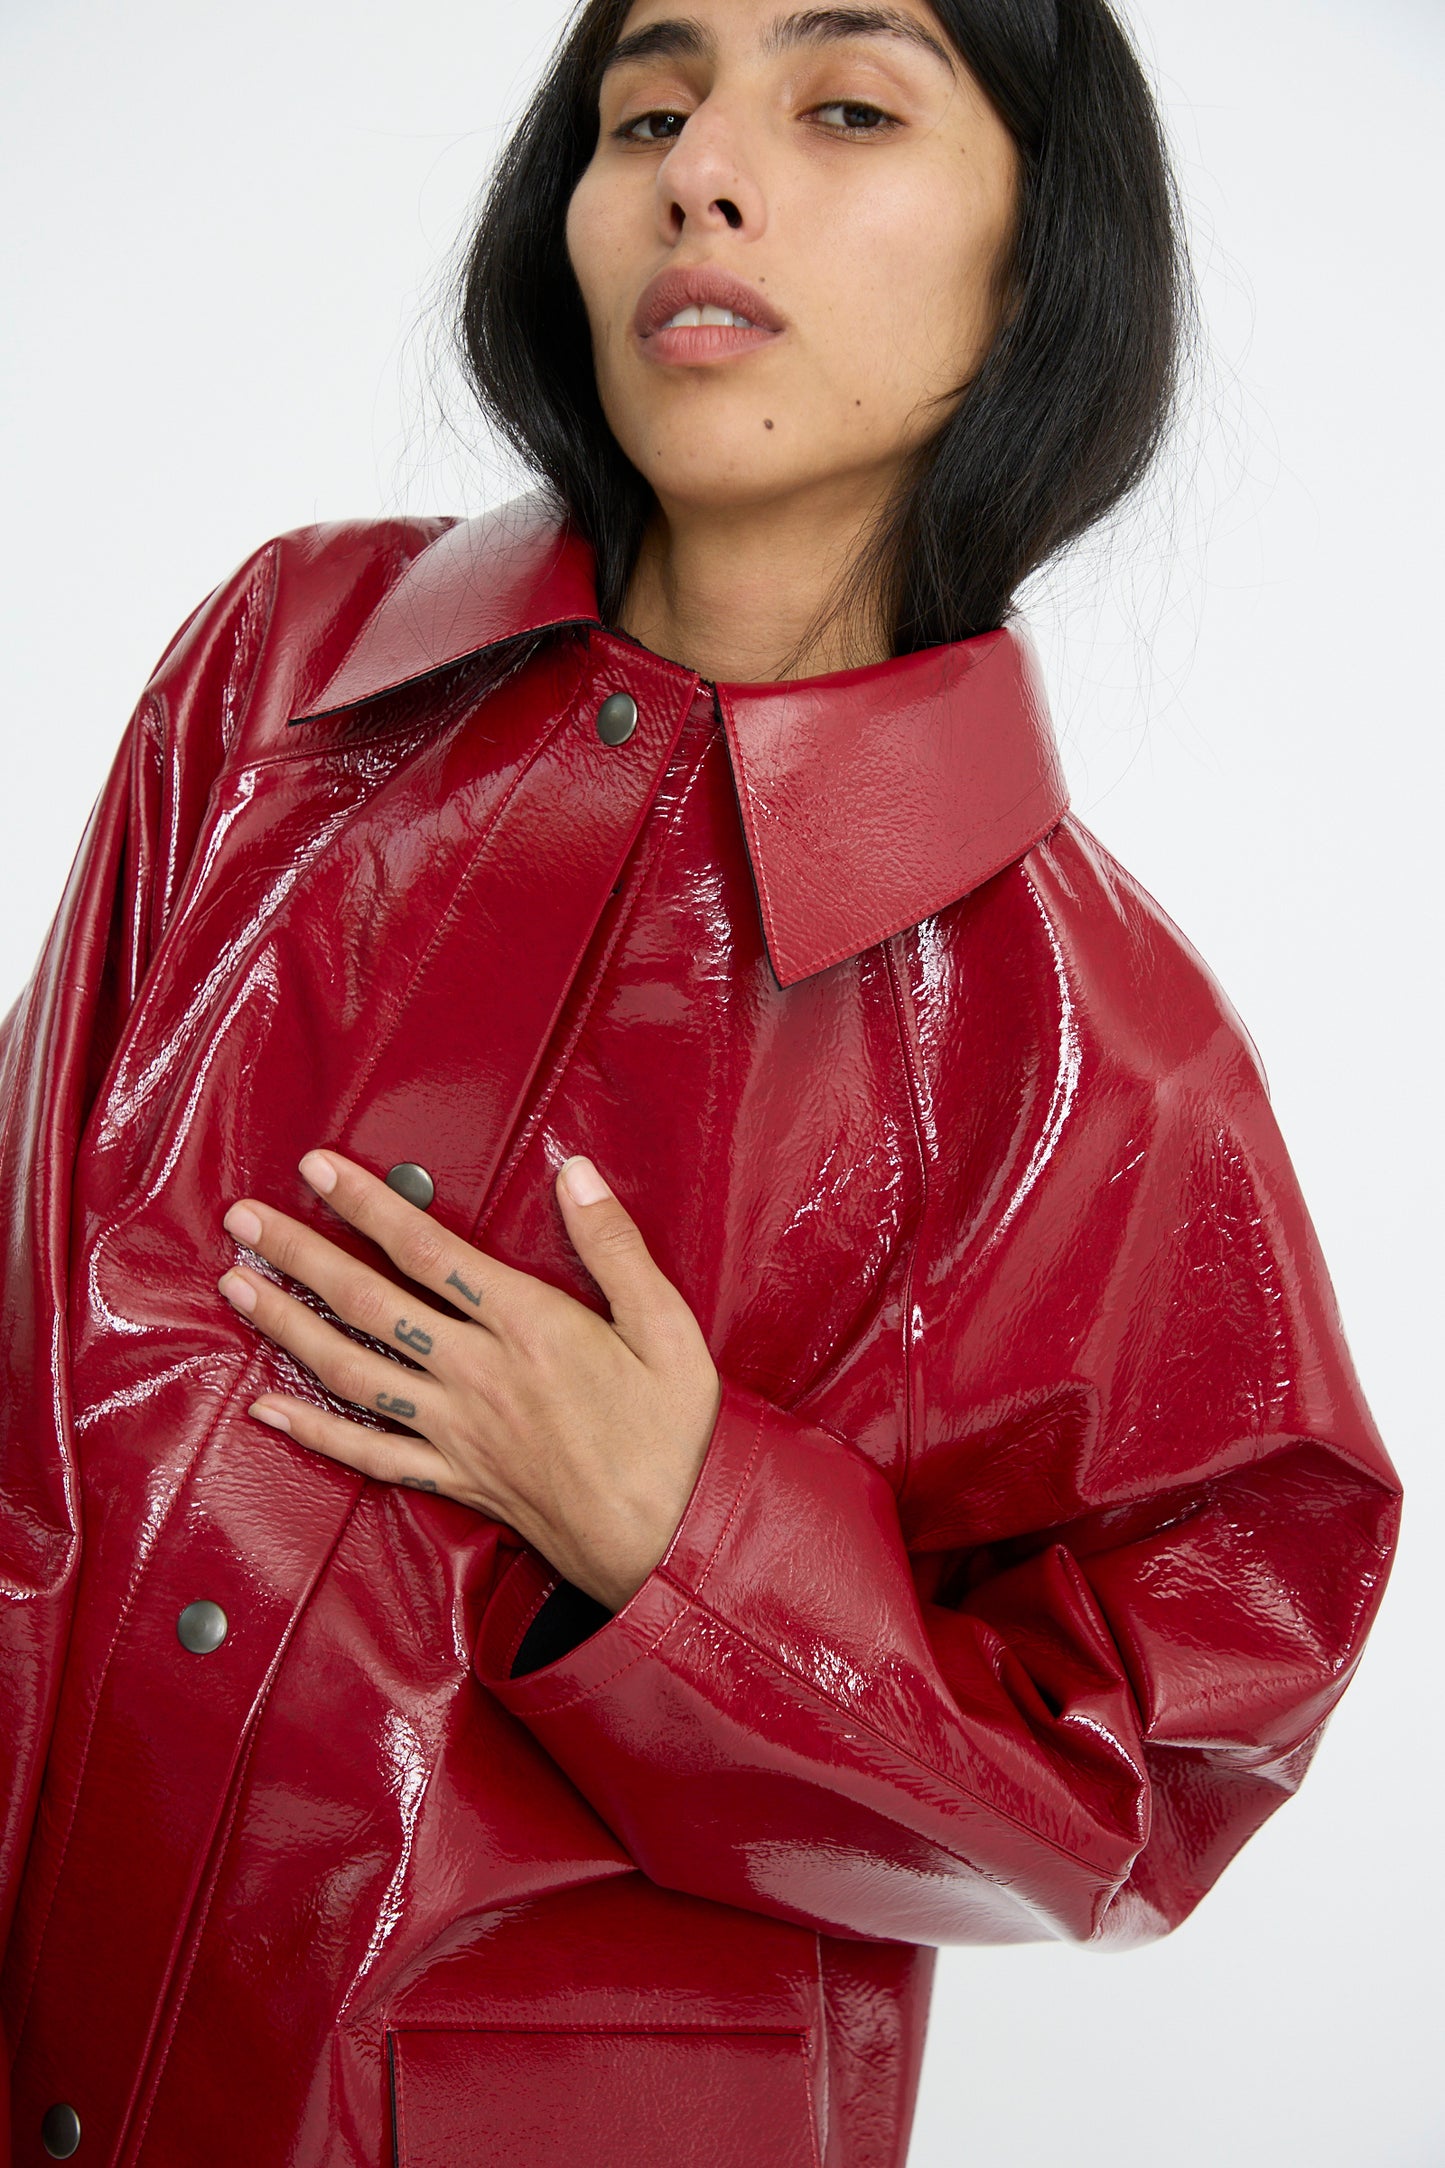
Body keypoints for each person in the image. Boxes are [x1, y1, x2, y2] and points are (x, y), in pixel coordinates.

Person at [0, 1, 1401, 2163]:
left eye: (843, 107)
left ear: (1043, 264)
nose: (698, 170)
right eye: (646, 108)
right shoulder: (279, 680)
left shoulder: (1097, 1053)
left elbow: (1165, 1766)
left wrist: (685, 1546)